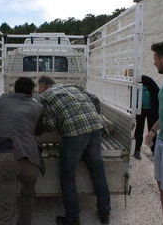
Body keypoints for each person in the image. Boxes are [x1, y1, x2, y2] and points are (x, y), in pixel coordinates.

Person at [38, 76, 111, 225]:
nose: (38, 90)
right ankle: (105, 213)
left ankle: (72, 218)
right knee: (97, 171)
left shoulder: (45, 96)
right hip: (96, 127)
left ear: (43, 86)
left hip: (74, 133)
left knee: (67, 175)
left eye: (39, 87)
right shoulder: (72, 86)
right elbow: (94, 99)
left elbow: (50, 125)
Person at [0, 77, 44, 225]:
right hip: (30, 159)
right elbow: (38, 131)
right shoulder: (38, 107)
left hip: (5, 156)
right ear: (32, 92)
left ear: (15, 89)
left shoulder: (0, 101)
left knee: (6, 206)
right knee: (28, 196)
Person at [145, 40, 163, 225]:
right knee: (161, 185)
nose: (153, 63)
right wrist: (152, 130)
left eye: (155, 59)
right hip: (161, 140)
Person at [134, 75, 159, 160]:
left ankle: (154, 151)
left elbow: (157, 91)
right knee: (139, 129)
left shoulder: (148, 82)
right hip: (140, 110)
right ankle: (137, 150)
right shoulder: (135, 84)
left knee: (152, 130)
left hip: (151, 110)